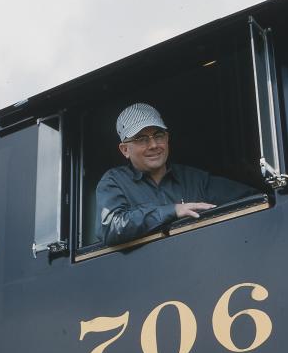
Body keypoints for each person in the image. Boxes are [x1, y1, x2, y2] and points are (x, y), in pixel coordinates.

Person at [95, 102, 257, 246]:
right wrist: (173, 210)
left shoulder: (195, 179)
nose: (153, 145)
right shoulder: (114, 181)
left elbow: (254, 200)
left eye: (158, 135)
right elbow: (109, 228)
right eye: (141, 139)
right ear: (125, 150)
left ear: (167, 139)